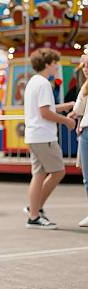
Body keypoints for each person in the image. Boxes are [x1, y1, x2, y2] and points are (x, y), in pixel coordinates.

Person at [23, 48, 75, 230]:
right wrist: (66, 120)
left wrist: (66, 106)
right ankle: (34, 211)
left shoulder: (33, 82)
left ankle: (34, 210)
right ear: (48, 64)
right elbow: (45, 112)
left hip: (34, 134)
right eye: (55, 63)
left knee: (38, 174)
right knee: (58, 171)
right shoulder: (44, 84)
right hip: (44, 135)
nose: (56, 66)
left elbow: (45, 108)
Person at [68, 55, 88, 227]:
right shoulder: (84, 87)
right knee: (87, 176)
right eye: (84, 66)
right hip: (85, 131)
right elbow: (78, 109)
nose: (85, 69)